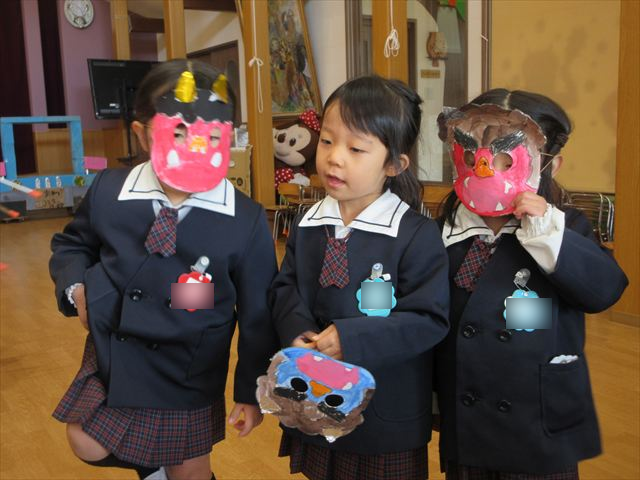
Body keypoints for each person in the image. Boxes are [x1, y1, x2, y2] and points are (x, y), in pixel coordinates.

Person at [49, 59, 279, 480]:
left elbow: (258, 315)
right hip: (116, 353)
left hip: (188, 367)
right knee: (84, 439)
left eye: (211, 136)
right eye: (178, 132)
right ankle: (151, 462)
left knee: (188, 471)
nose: (195, 147)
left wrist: (250, 390)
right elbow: (73, 245)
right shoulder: (110, 191)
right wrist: (77, 289)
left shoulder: (244, 218)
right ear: (142, 134)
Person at [434, 89, 628, 479]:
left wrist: (547, 235)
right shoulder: (445, 232)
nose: (486, 170)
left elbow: (605, 290)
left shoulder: (564, 227)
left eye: (506, 159)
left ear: (549, 165)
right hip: (468, 412)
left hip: (537, 415)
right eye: (473, 157)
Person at [269, 75, 450, 480]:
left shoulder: (416, 234)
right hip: (316, 397)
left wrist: (350, 338)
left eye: (355, 148)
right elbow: (286, 288)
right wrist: (297, 331)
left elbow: (428, 319)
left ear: (394, 164)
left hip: (384, 414)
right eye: (328, 141)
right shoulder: (308, 222)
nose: (334, 158)